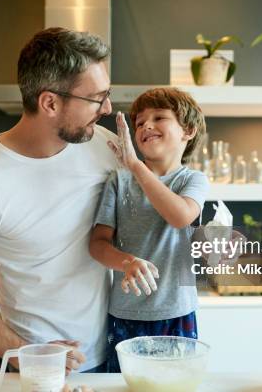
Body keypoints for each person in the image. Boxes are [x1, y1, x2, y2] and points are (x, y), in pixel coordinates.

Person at [0, 27, 118, 373]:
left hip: (115, 355)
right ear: (50, 102)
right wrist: (25, 353)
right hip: (31, 368)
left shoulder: (103, 147)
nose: (106, 107)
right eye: (96, 98)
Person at [89, 87, 209, 372]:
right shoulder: (119, 181)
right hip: (124, 313)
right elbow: (98, 244)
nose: (146, 126)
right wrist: (126, 261)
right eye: (140, 122)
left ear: (188, 131)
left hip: (176, 312)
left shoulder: (193, 180)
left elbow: (180, 216)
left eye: (159, 117)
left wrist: (135, 166)